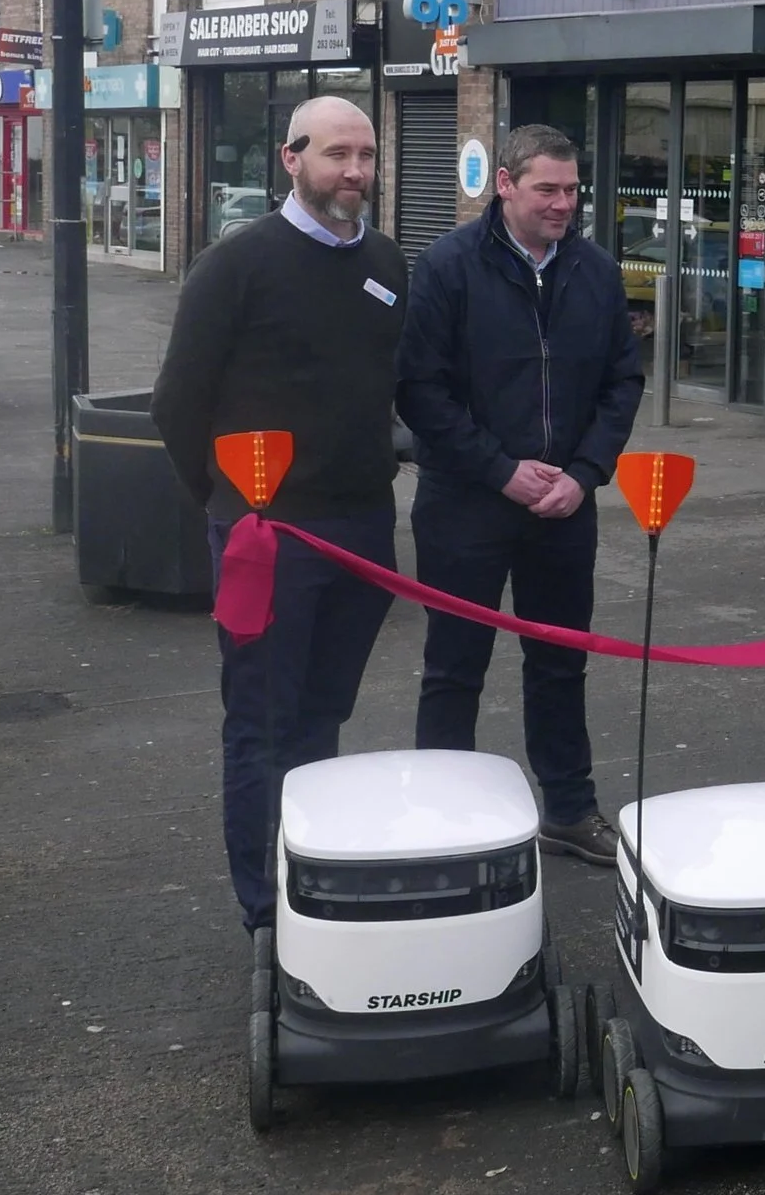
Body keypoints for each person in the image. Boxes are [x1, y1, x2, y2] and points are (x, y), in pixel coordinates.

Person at [151, 97, 406, 934]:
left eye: (366, 155)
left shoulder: (387, 264)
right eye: (338, 154)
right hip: (268, 540)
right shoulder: (236, 265)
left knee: (323, 716)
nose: (356, 172)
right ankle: (268, 911)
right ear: (291, 159)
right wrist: (228, 507)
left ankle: (313, 878)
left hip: (364, 532)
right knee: (262, 722)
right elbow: (178, 403)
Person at [395, 124, 643, 866]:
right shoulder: (446, 267)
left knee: (561, 661)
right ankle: (443, 821)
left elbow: (622, 382)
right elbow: (419, 389)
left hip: (564, 506)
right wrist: (499, 469)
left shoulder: (596, 272)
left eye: (572, 190)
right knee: (453, 664)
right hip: (465, 502)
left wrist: (585, 473)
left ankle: (568, 809)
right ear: (504, 185)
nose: (564, 203)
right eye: (548, 190)